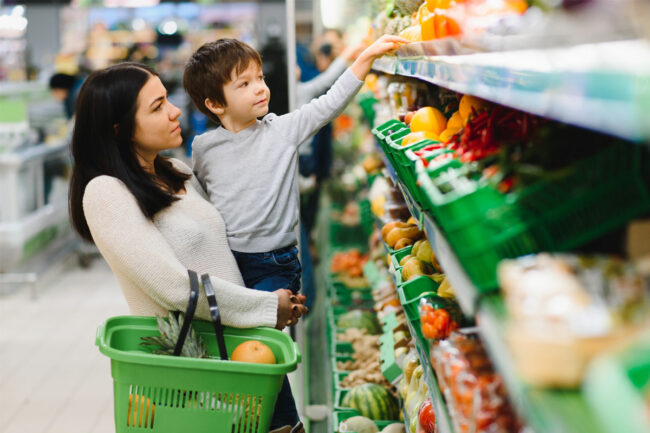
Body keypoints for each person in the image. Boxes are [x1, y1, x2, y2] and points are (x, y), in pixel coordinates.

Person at [182, 34, 406, 432]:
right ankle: (280, 425)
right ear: (215, 104)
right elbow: (198, 200)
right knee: (247, 356)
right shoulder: (204, 147)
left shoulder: (280, 131)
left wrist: (366, 56)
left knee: (262, 352)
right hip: (229, 266)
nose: (261, 88)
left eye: (260, 77)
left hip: (275, 265)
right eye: (244, 83)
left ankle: (284, 425)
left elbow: (328, 103)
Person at [68, 62, 308, 340]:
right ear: (120, 129)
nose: (175, 111)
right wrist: (266, 307)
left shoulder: (178, 171)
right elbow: (173, 286)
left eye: (167, 99)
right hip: (193, 369)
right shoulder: (106, 192)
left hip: (243, 348)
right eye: (157, 107)